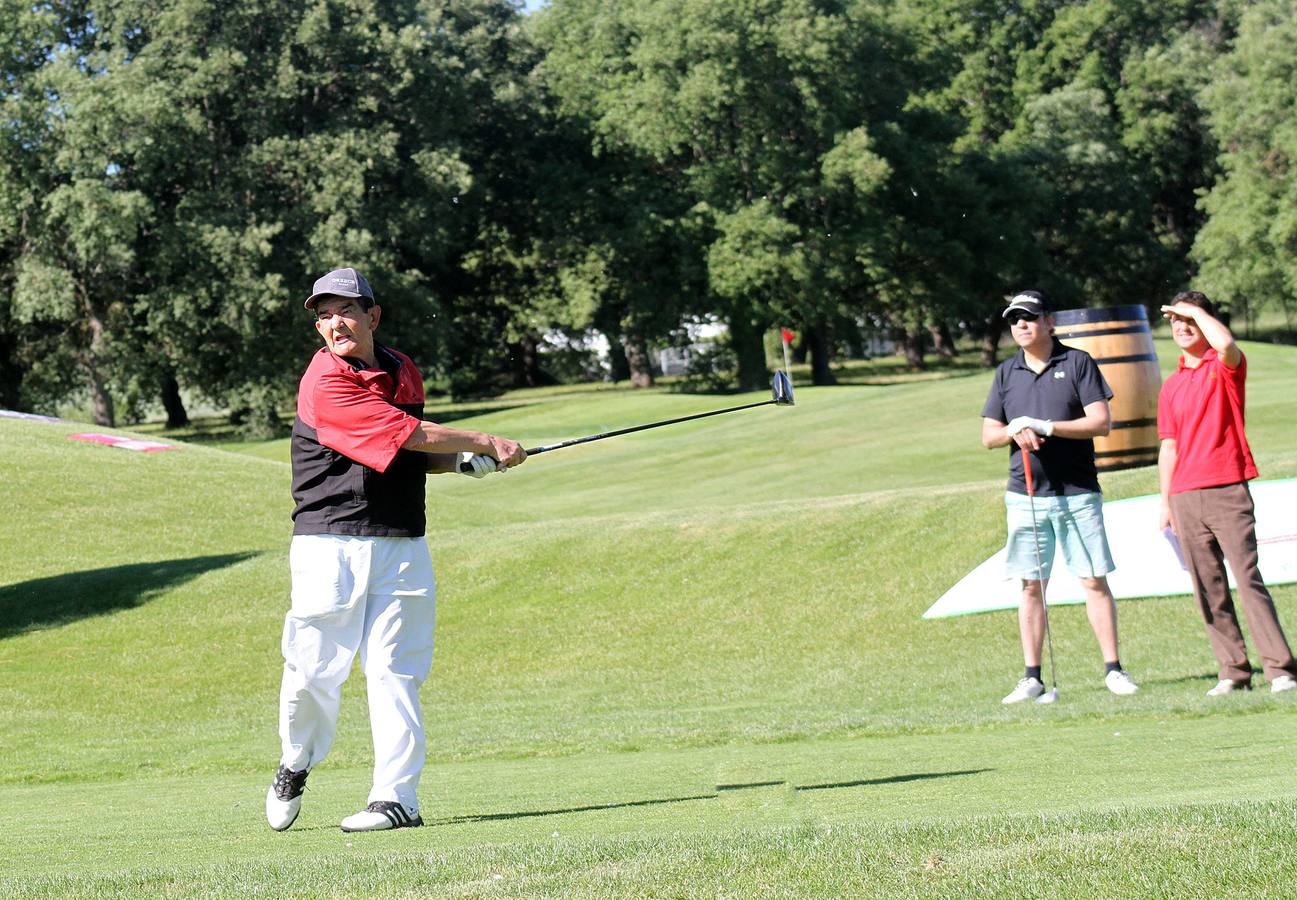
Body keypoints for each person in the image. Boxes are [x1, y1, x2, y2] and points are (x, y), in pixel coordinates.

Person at [265, 267, 527, 833]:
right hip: (329, 541)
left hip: (402, 539)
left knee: (395, 671)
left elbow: (406, 453)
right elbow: (403, 434)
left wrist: (460, 461)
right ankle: (296, 761)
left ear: (373, 315)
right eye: (323, 314)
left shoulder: (402, 369)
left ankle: (395, 799)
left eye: (346, 310)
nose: (334, 323)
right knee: (315, 671)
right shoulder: (324, 381)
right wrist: (484, 441)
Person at [981, 290, 1139, 703]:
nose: (1021, 325)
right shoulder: (1006, 372)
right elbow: (988, 436)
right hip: (1026, 495)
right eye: (1015, 319)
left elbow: (1101, 422)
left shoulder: (1077, 362)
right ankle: (1031, 677)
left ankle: (1114, 670)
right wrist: (1015, 429)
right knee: (1031, 585)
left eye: (1029, 317)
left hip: (1077, 491)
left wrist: (1047, 426)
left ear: (1049, 322)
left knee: (1092, 580)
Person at [1157, 291, 1297, 696]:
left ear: (1204, 320)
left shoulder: (1225, 367)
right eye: (1175, 322)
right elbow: (1169, 447)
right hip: (1185, 496)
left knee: (1247, 578)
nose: (1181, 328)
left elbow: (1227, 344)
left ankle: (1280, 669)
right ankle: (1233, 671)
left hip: (1227, 489)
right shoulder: (1172, 385)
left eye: (1189, 320)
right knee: (1207, 587)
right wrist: (1165, 503)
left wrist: (1195, 312)